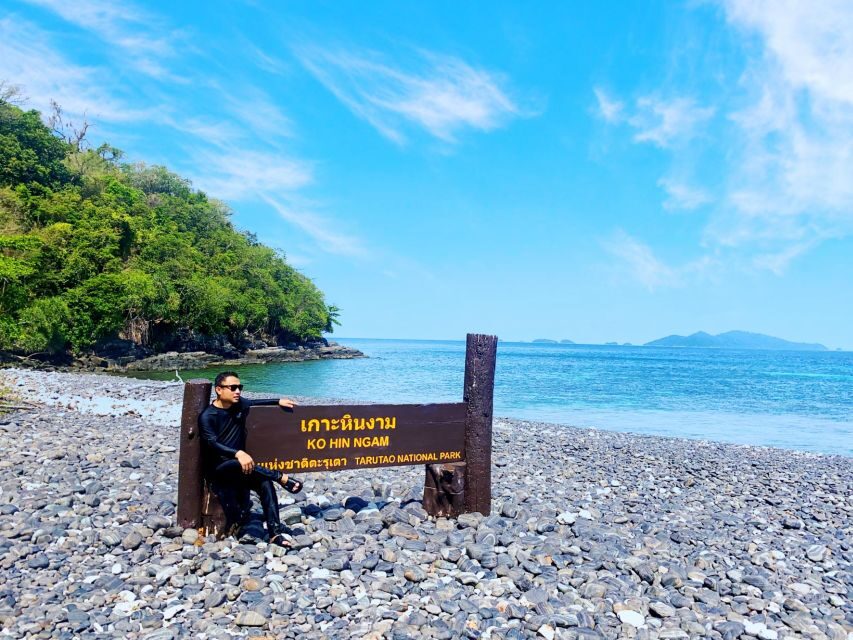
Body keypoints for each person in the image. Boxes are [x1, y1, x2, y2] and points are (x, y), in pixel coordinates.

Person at [198, 371, 302, 547]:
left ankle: (275, 533)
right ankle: (280, 477)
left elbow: (255, 402)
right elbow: (212, 443)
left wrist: (278, 401)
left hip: (242, 467)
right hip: (219, 470)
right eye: (233, 388)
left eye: (239, 387)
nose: (238, 391)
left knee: (265, 484)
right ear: (219, 390)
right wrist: (238, 453)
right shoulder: (208, 416)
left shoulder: (239, 405)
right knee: (239, 463)